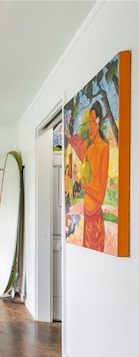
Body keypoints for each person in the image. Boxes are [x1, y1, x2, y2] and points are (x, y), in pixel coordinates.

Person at [80, 101, 109, 252]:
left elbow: (100, 195)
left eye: (93, 121)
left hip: (96, 219)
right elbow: (85, 175)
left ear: (98, 122)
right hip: (86, 217)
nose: (90, 126)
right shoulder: (89, 149)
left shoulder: (103, 149)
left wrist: (85, 186)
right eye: (88, 122)